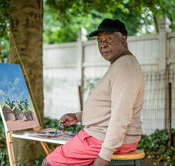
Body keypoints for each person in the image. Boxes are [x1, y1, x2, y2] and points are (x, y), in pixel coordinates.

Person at [42, 18, 145, 166]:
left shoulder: (125, 68)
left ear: (123, 39)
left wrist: (104, 156)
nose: (103, 44)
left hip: (103, 139)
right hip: (102, 136)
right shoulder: (120, 64)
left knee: (48, 163)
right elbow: (108, 109)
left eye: (109, 39)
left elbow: (121, 115)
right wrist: (78, 116)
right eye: (99, 40)